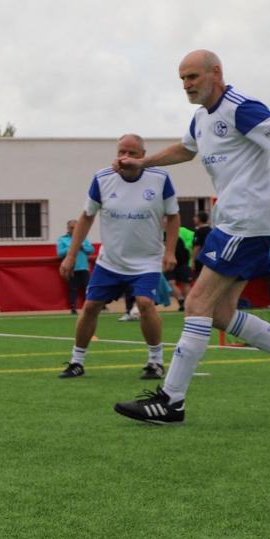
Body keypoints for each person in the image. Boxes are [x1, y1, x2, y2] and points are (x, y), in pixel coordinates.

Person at [114, 49, 270, 424]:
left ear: (216, 73)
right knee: (219, 313)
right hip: (232, 223)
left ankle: (171, 400)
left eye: (193, 77)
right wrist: (143, 162)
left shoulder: (241, 107)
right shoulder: (201, 117)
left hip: (246, 222)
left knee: (197, 303)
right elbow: (185, 150)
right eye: (182, 79)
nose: (186, 85)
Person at [58, 134, 180, 380]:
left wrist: (170, 251)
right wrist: (71, 255)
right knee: (91, 306)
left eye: (132, 153)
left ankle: (155, 362)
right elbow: (87, 216)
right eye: (121, 152)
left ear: (143, 156)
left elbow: (173, 215)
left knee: (144, 303)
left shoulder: (160, 178)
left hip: (147, 260)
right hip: (110, 261)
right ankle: (76, 361)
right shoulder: (102, 178)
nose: (125, 157)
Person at [56, 220, 94, 315]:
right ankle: (73, 308)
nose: (74, 229)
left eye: (76, 227)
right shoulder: (62, 239)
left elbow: (91, 250)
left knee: (88, 288)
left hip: (83, 267)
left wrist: (83, 247)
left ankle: (89, 307)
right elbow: (60, 253)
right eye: (72, 227)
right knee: (73, 289)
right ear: (68, 229)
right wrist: (72, 247)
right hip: (71, 268)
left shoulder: (83, 238)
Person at [166, 225, 194, 311]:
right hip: (169, 264)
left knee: (185, 284)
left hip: (183, 264)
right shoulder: (163, 235)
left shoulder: (182, 234)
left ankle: (189, 304)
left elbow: (190, 246)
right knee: (170, 283)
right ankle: (181, 301)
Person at [191, 212, 212, 281]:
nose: (193, 219)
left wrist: (193, 261)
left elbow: (197, 247)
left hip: (200, 260)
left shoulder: (199, 231)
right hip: (210, 259)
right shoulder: (211, 230)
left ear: (199, 219)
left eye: (195, 217)